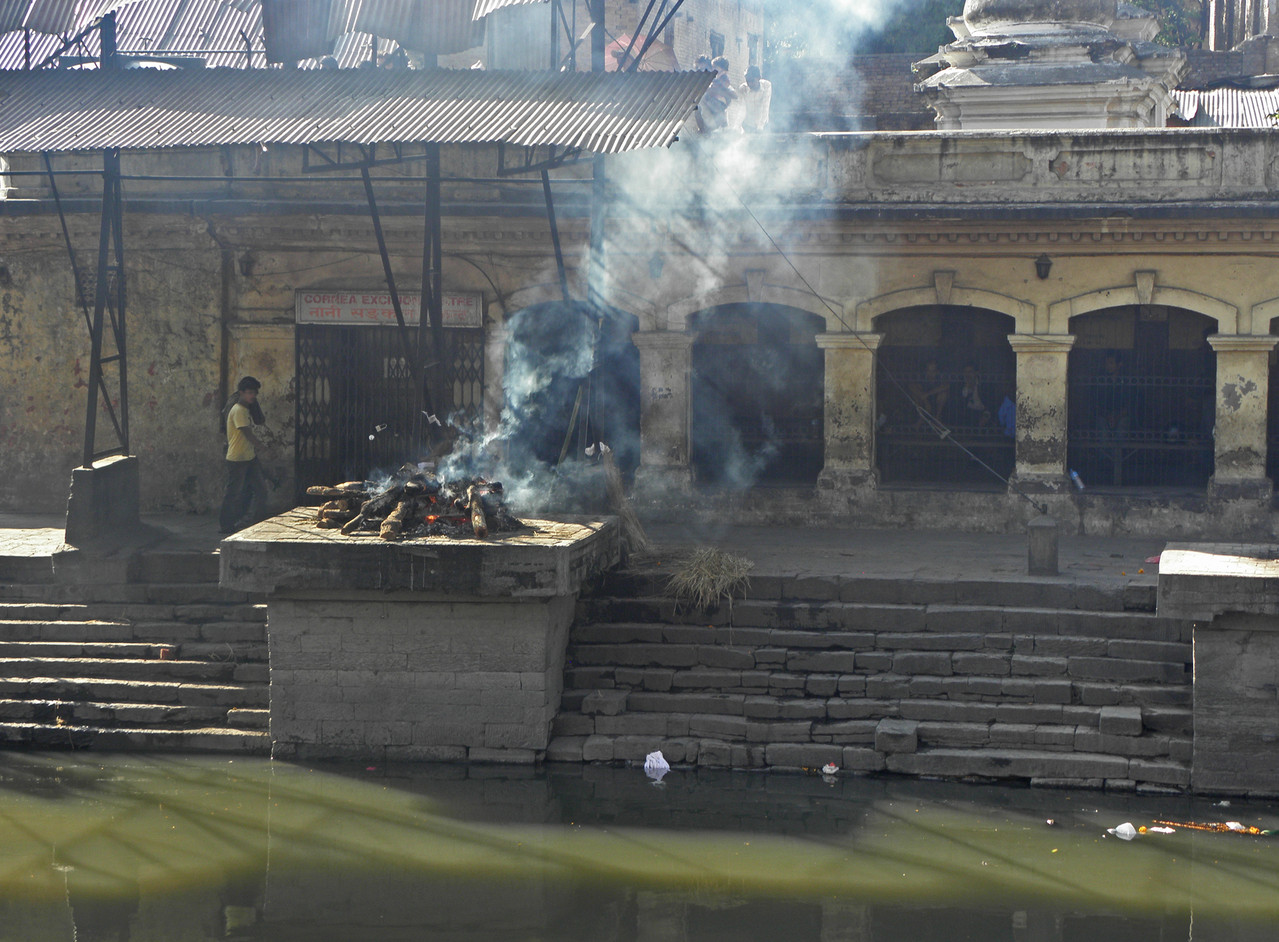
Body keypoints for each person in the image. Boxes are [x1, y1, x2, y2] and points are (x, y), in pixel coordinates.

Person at [219, 376, 269, 534]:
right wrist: (262, 447)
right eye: (249, 393)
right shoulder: (239, 410)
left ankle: (255, 522)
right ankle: (226, 525)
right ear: (241, 393)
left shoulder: (245, 409)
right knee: (234, 493)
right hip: (237, 459)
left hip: (249, 457)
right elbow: (247, 433)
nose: (252, 396)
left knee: (261, 490)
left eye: (254, 393)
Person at [908, 359, 948, 424]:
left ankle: (937, 417)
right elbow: (912, 386)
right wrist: (925, 401)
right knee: (915, 394)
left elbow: (946, 386)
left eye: (933, 371)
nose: (931, 373)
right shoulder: (921, 377)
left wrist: (928, 394)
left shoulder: (940, 376)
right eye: (929, 370)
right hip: (923, 401)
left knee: (943, 394)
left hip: (936, 399)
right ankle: (919, 422)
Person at [738, 65, 772, 132]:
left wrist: (760, 127)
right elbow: (741, 108)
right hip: (748, 124)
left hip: (763, 125)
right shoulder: (743, 88)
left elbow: (765, 106)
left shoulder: (766, 86)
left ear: (759, 78)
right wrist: (736, 126)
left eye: (752, 81)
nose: (750, 84)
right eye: (748, 81)